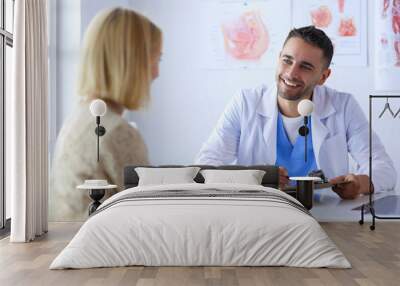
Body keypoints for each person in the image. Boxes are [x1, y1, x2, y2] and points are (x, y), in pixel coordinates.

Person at [196, 26, 396, 199]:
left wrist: (359, 183)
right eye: (287, 60)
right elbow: (205, 167)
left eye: (306, 67)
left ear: (323, 76)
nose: (291, 73)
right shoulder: (245, 103)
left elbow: (385, 169)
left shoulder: (343, 106)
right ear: (278, 59)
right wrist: (256, 177)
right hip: (258, 211)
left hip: (327, 216)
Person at [50, 8, 162, 221]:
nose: (156, 73)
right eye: (155, 60)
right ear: (130, 63)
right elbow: (149, 220)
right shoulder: (118, 133)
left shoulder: (78, 119)